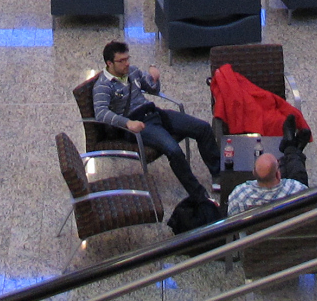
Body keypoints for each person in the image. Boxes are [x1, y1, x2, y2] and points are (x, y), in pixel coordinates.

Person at [92, 40, 221, 205]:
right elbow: (101, 113)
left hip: (154, 113)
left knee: (202, 128)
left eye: (127, 59)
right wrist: (127, 123)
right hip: (138, 124)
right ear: (109, 63)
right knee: (174, 151)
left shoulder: (133, 71)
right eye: (121, 61)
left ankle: (218, 174)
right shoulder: (103, 86)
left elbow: (152, 89)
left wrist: (155, 78)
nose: (127, 63)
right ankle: (199, 195)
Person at [227, 152, 306, 217]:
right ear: (278, 174)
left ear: (254, 173)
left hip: (255, 236)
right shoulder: (298, 189)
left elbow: (230, 218)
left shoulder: (239, 195)